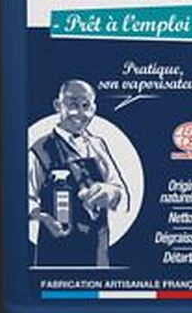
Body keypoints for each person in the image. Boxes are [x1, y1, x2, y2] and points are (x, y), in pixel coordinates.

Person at [28, 80, 129, 267]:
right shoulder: (40, 149)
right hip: (57, 247)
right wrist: (44, 218)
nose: (80, 113)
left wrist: (110, 193)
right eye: (73, 105)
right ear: (58, 105)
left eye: (86, 106)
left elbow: (119, 190)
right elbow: (26, 199)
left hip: (97, 247)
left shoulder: (97, 145)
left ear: (94, 108)